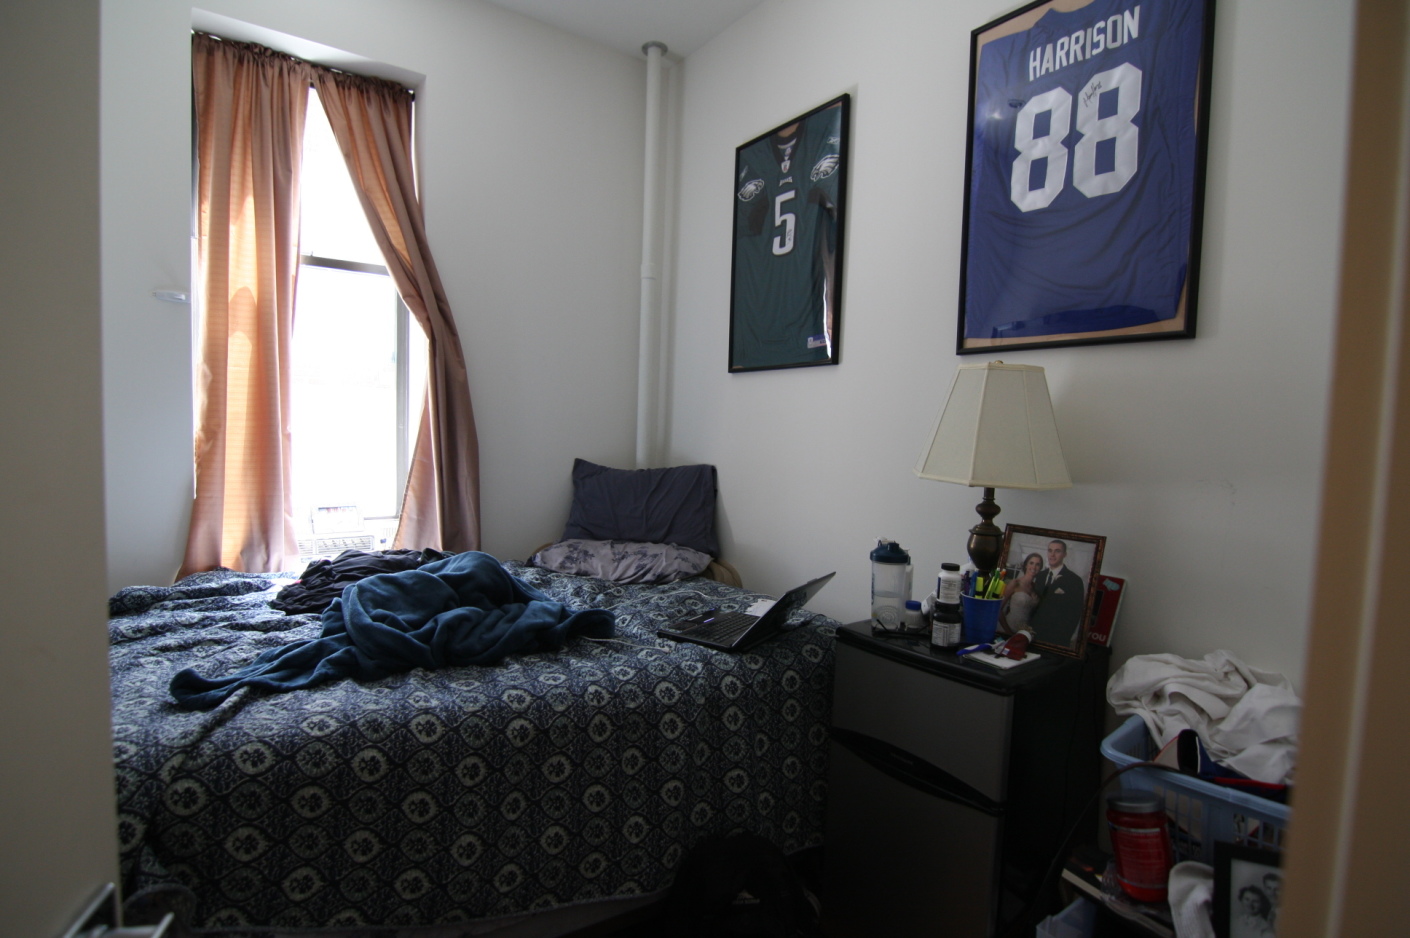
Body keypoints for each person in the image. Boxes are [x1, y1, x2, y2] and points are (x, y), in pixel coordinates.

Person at [1028, 539, 1086, 647]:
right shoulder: (1040, 576)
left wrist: (1063, 638)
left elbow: (1075, 613)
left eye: (1057, 551)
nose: (1052, 555)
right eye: (1050, 550)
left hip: (1057, 638)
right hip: (1033, 634)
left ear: (1064, 554)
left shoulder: (1074, 580)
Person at [999, 552, 1044, 635]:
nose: (1034, 567)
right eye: (1031, 563)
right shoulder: (1015, 583)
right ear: (1026, 565)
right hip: (1008, 629)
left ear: (1040, 568)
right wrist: (1008, 633)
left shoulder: (1035, 588)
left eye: (1037, 564)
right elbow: (998, 609)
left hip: (1024, 632)